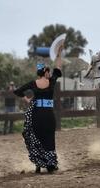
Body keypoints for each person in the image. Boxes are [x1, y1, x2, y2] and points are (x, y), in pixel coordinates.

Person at [14, 46, 63, 174]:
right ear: (45, 72)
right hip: (48, 115)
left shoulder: (33, 83)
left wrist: (27, 99)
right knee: (49, 138)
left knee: (37, 137)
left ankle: (39, 165)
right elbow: (58, 67)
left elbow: (17, 91)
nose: (50, 73)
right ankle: (51, 164)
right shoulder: (51, 81)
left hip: (37, 115)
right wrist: (59, 53)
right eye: (48, 71)